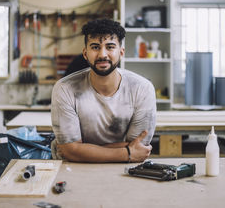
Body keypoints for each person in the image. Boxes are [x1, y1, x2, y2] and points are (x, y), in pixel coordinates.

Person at [51, 18, 156, 163]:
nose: (102, 54)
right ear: (85, 53)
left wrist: (82, 150)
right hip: (74, 168)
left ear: (121, 52)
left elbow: (140, 146)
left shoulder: (142, 89)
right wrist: (127, 153)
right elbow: (69, 151)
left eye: (110, 46)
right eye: (95, 47)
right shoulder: (65, 88)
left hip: (124, 170)